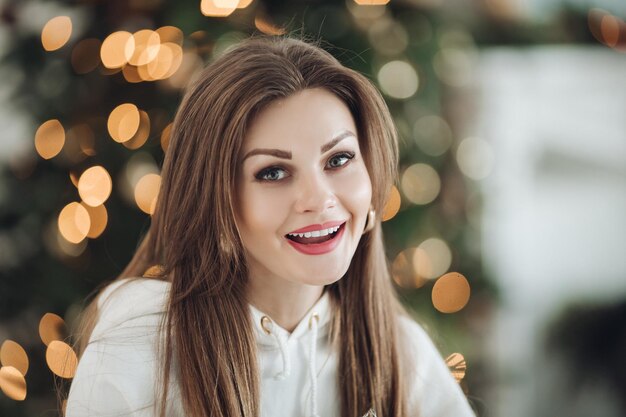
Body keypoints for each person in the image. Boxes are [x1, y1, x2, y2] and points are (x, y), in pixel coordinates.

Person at [64, 35, 476, 417]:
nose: (319, 199)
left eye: (339, 160)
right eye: (274, 172)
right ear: (215, 196)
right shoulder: (142, 343)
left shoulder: (405, 357)